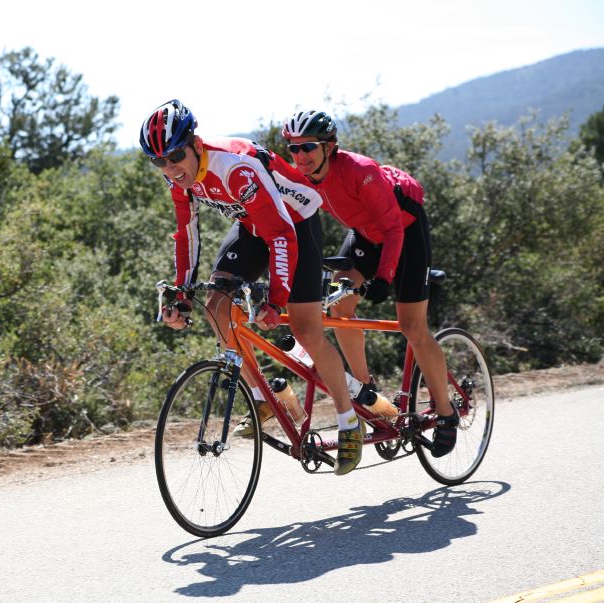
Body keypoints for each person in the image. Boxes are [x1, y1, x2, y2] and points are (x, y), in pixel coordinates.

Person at [140, 99, 365, 475]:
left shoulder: (235, 168)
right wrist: (181, 292)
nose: (169, 168)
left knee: (306, 329)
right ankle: (264, 398)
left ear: (194, 143)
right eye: (158, 161)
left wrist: (276, 300)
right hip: (253, 224)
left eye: (175, 155)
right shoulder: (177, 176)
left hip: (295, 224)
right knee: (217, 304)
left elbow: (280, 233)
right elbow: (186, 233)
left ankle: (349, 422)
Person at [281, 110, 458, 457]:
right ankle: (367, 392)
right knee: (341, 303)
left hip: (403, 231)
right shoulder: (302, 178)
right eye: (294, 149)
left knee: (412, 327)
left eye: (309, 147)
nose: (301, 156)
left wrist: (384, 277)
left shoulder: (359, 171)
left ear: (330, 146)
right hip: (364, 234)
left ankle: (446, 412)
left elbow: (392, 229)